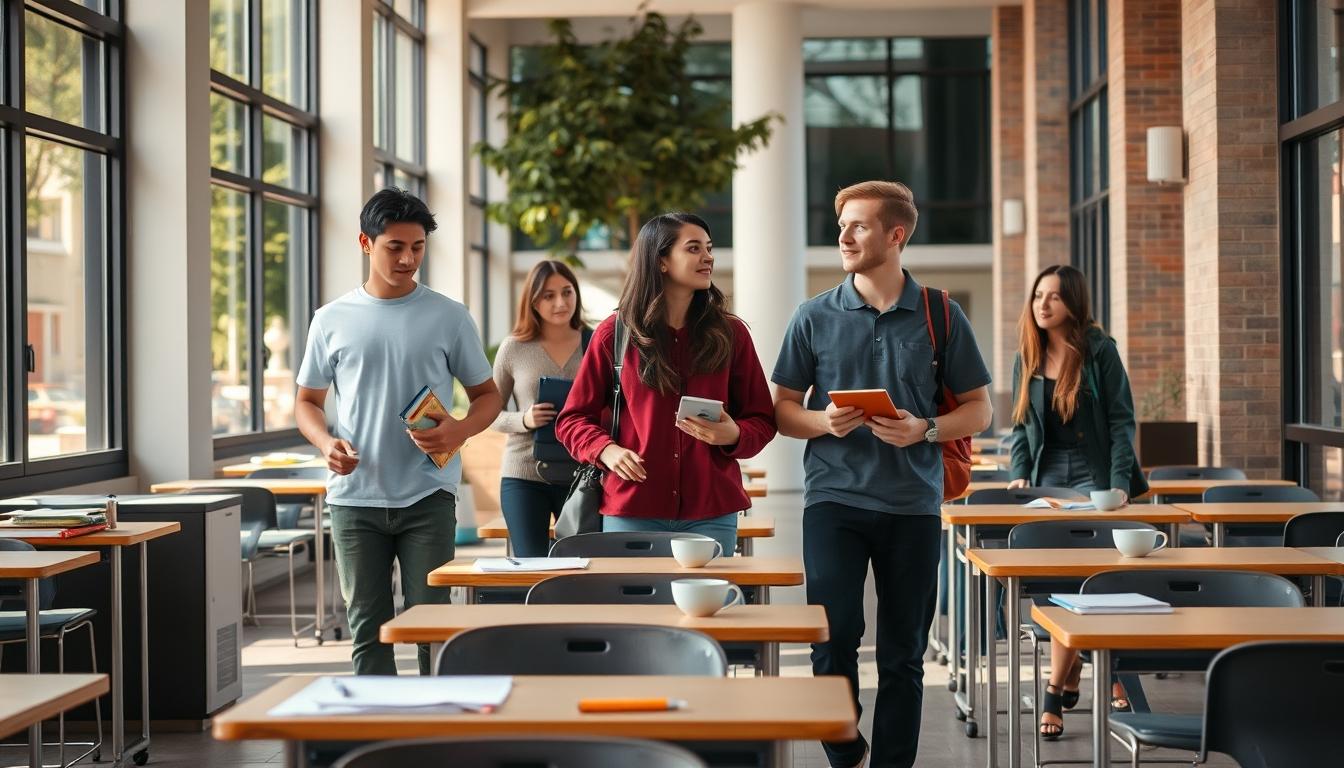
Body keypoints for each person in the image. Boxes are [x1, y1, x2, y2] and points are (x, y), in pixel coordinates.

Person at [772, 181, 993, 768]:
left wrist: (926, 429)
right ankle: (845, 750)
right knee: (834, 638)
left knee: (902, 654)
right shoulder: (813, 316)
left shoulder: (943, 314)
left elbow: (979, 409)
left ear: (896, 235)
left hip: (913, 505)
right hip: (833, 502)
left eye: (859, 226)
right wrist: (823, 420)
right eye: (841, 224)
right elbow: (782, 411)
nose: (843, 236)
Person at [294, 188, 502, 676]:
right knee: (368, 631)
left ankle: (435, 735)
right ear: (365, 243)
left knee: (431, 626)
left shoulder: (449, 316)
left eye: (417, 247)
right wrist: (326, 443)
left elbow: (487, 396)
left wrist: (459, 431)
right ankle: (378, 742)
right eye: (395, 247)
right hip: (353, 499)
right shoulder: (330, 320)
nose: (408, 258)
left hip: (427, 495)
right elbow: (306, 403)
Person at [554, 212, 776, 554]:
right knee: (634, 608)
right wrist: (606, 451)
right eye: (693, 248)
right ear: (661, 261)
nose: (708, 257)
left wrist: (734, 435)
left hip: (712, 511)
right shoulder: (614, 335)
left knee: (706, 609)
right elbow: (572, 419)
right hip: (632, 508)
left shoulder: (732, 335)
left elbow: (762, 419)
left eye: (709, 248)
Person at [1007, 263, 1148, 739]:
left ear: (1074, 303)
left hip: (1095, 474)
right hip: (1047, 475)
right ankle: (1070, 675)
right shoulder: (1028, 353)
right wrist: (1020, 475)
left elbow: (1120, 420)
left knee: (1089, 584)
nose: (1042, 305)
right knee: (1052, 583)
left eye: (1053, 297)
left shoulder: (1100, 351)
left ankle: (1054, 692)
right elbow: (1021, 425)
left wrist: (1121, 482)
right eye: (1037, 296)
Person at [491, 260, 590, 557]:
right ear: (532, 301)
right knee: (531, 566)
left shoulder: (597, 342)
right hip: (523, 476)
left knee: (583, 566)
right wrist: (525, 419)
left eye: (567, 292)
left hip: (582, 476)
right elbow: (487, 412)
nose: (560, 302)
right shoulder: (514, 347)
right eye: (548, 295)